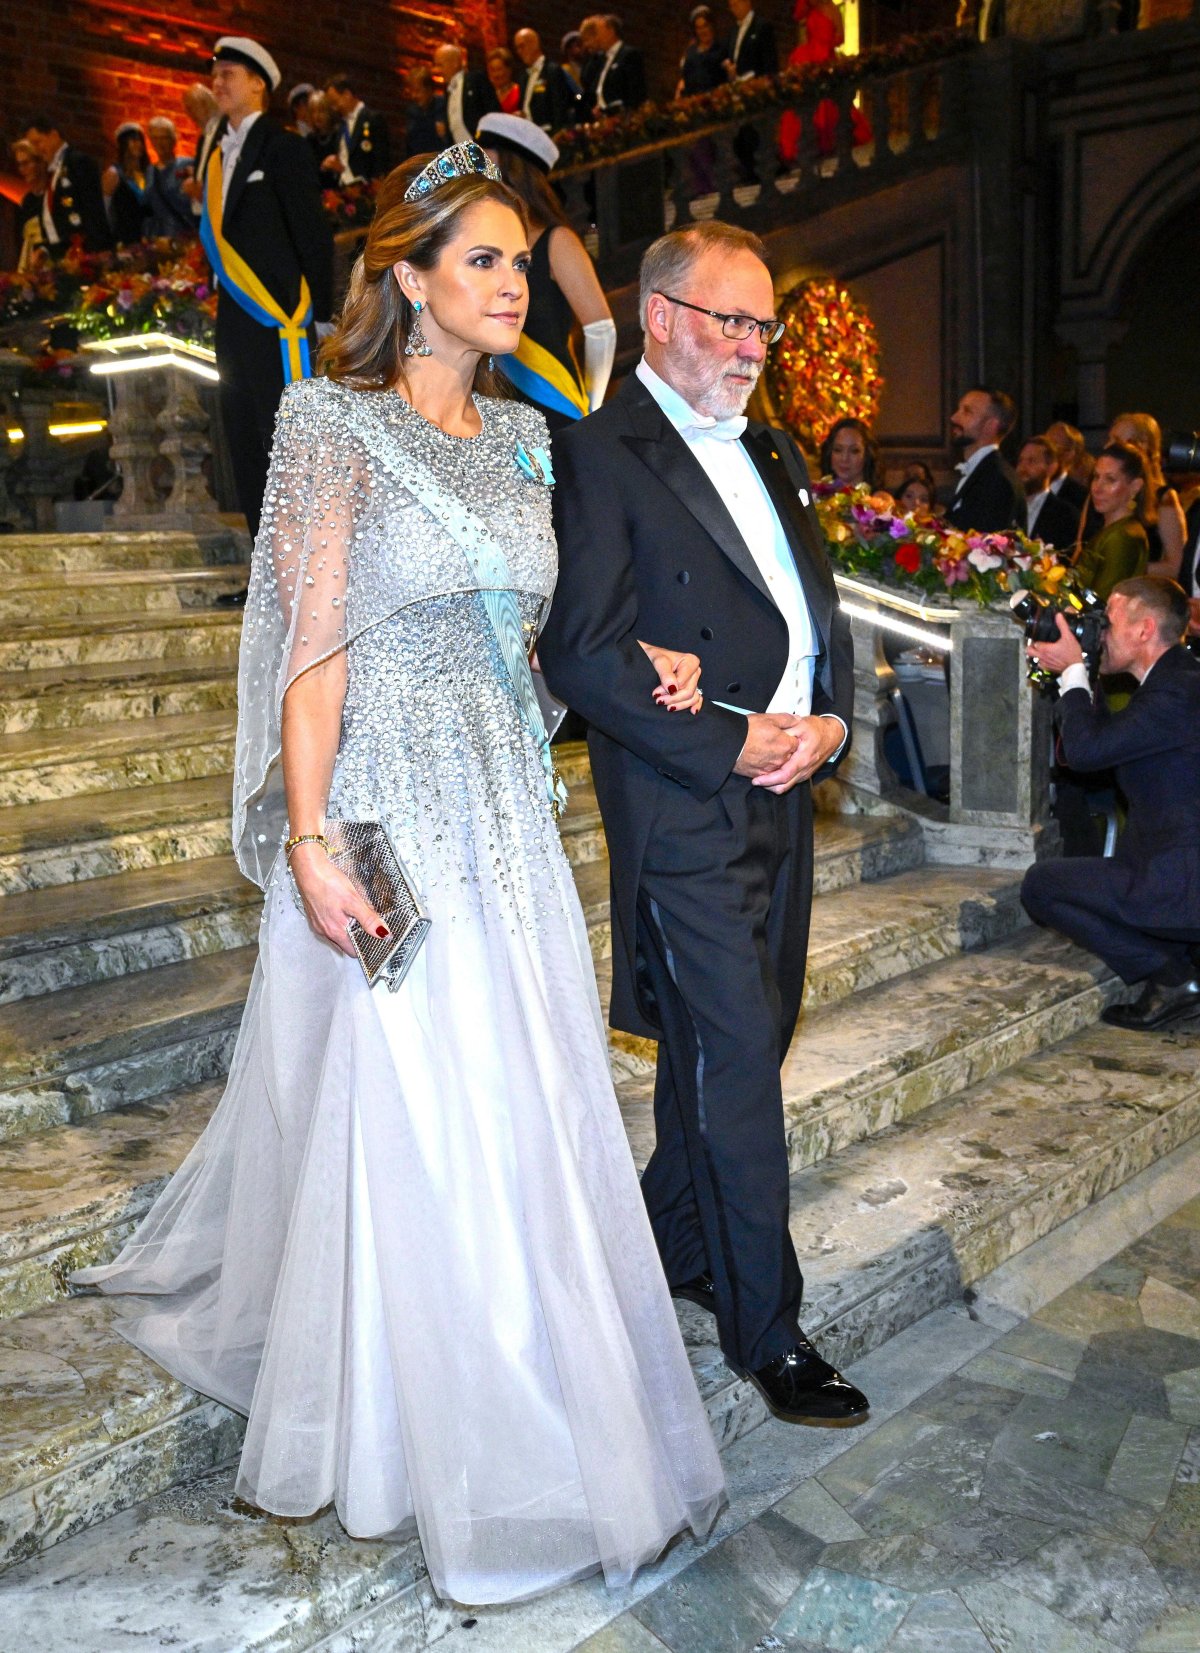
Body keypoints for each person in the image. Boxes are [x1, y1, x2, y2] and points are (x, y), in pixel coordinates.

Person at [74, 143, 725, 1605]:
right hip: (384, 813)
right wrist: (308, 835)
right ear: (412, 281)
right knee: (417, 1107)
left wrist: (643, 659)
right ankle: (411, 1439)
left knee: (523, 1097)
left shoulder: (529, 442)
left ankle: (543, 1408)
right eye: (484, 260)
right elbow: (313, 649)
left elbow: (544, 641)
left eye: (521, 260)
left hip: (505, 812)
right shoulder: (329, 424)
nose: (516, 284)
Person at [538, 221, 870, 1428]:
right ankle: (767, 1332)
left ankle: (674, 1239)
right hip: (686, 796)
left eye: (765, 326)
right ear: (662, 315)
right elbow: (578, 648)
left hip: (788, 791)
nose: (754, 347)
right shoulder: (598, 449)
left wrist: (829, 726)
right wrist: (734, 737)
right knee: (735, 1055)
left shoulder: (771, 448)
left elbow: (811, 609)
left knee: (747, 1036)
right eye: (733, 321)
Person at [1021, 576, 1200, 1031]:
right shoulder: (1177, 679)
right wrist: (1080, 674)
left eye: (1110, 622)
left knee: (1041, 886)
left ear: (1144, 630)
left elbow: (1085, 754)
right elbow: (1103, 747)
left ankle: (1173, 978)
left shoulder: (1175, 693)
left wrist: (1073, 673)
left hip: (1182, 883)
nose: (1098, 632)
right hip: (1175, 869)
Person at [200, 36, 334, 538]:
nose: (217, 83)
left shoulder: (282, 146)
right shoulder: (216, 156)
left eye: (228, 74)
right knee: (242, 436)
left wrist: (322, 312)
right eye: (215, 74)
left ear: (259, 84)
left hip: (281, 317)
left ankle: (308, 564)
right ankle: (265, 570)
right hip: (234, 316)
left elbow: (310, 231)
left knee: (289, 438)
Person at [478, 113, 616, 428]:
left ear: (514, 171)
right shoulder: (481, 246)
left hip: (553, 405)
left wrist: (592, 410)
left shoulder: (557, 241)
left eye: (486, 164)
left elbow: (601, 330)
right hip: (496, 405)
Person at [778, 0, 871, 164]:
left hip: (825, 56)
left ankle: (826, 139)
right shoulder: (811, 10)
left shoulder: (833, 9)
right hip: (810, 56)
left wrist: (827, 44)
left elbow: (841, 37)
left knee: (829, 99)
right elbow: (798, 16)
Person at [1107, 412, 1186, 580]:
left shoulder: (1164, 498)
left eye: (1118, 441)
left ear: (1143, 446)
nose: (1109, 446)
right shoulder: (1108, 492)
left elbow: (1176, 566)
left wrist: (1126, 566)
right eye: (1110, 440)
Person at [1073, 440, 1150, 601]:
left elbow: (1100, 601)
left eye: (1110, 480)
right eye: (1096, 477)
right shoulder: (1114, 529)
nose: (1097, 488)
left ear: (1135, 486)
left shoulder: (1123, 536)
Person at [23, 115, 112, 252]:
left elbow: (92, 213)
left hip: (82, 255)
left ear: (54, 135)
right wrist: (46, 250)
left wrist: (89, 255)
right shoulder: (51, 171)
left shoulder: (78, 162)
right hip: (62, 257)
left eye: (38, 142)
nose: (36, 150)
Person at [944, 386, 1022, 532]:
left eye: (967, 411)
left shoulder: (998, 480)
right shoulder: (984, 471)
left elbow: (985, 546)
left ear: (990, 426)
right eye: (958, 409)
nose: (953, 417)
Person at [724, 0, 777, 182]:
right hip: (740, 91)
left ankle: (763, 171)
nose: (733, 8)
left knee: (759, 135)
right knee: (743, 135)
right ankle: (749, 173)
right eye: (731, 5)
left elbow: (769, 64)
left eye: (736, 3)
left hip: (757, 90)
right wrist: (731, 71)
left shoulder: (762, 27)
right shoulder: (733, 32)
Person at [322, 73, 392, 183]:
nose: (334, 109)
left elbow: (381, 160)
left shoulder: (372, 119)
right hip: (343, 189)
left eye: (335, 103)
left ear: (347, 94)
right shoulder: (340, 126)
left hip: (366, 190)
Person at [1016, 434, 1079, 550]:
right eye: (1020, 461)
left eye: (1031, 461)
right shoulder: (1007, 506)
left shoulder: (1064, 514)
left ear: (1051, 468)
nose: (1022, 468)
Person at [580, 14, 646, 117]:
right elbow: (587, 83)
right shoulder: (599, 60)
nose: (596, 37)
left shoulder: (629, 55)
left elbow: (635, 94)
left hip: (620, 119)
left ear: (610, 31)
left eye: (597, 32)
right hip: (601, 119)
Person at [514, 28, 579, 132]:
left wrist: (558, 134)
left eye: (522, 46)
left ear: (534, 44)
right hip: (528, 135)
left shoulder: (552, 70)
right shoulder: (524, 77)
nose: (519, 52)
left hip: (548, 133)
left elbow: (559, 107)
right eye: (517, 48)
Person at [435, 44, 498, 146]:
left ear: (454, 63)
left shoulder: (476, 80)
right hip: (462, 154)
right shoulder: (448, 91)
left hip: (484, 149)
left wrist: (487, 144)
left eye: (440, 65)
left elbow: (493, 112)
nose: (437, 70)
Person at [147, 117, 196, 236]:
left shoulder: (188, 165)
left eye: (164, 138)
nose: (160, 143)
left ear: (173, 139)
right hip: (157, 237)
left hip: (183, 234)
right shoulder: (149, 171)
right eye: (155, 138)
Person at [181, 83, 220, 222]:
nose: (189, 114)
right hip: (204, 213)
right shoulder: (204, 137)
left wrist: (201, 191)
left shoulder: (223, 132)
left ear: (204, 104)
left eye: (191, 108)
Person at [1044, 419, 1092, 516]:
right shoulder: (1030, 489)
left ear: (1071, 453)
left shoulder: (1081, 497)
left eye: (1054, 445)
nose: (1045, 452)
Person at [11, 139, 46, 271]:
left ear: (40, 162)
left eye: (26, 163)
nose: (22, 170)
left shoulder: (53, 196)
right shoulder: (27, 201)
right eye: (19, 165)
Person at [818, 415, 878, 490]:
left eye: (854, 451)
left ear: (867, 455)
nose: (844, 458)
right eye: (838, 450)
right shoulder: (814, 496)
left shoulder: (879, 499)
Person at [678, 6, 727, 96]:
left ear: (711, 26)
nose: (702, 31)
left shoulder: (722, 49)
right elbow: (686, 80)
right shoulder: (691, 53)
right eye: (698, 28)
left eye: (705, 26)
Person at [404, 67, 447, 155]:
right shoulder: (412, 112)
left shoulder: (443, 106)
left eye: (418, 91)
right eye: (411, 91)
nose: (414, 96)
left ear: (430, 89)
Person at [485, 47, 523, 114]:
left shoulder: (520, 92)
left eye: (499, 69)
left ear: (509, 70)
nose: (495, 75)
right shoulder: (487, 95)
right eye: (492, 70)